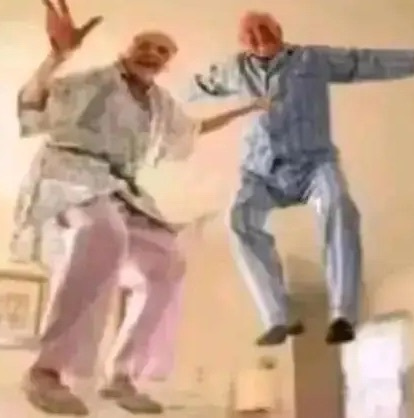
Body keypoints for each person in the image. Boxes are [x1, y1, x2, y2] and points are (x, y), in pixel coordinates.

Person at [10, 1, 271, 415]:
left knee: (167, 262)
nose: (151, 52)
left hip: (119, 187)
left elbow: (194, 129)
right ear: (126, 50)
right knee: (102, 232)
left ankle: (122, 374)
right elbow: (35, 103)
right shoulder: (96, 81)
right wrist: (56, 57)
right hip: (70, 172)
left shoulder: (161, 105)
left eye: (161, 50)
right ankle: (47, 369)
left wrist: (248, 108)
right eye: (144, 44)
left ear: (168, 63)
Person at [184, 10, 414, 347]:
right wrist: (151, 96)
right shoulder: (233, 70)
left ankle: (343, 314)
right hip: (261, 172)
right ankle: (277, 317)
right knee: (238, 219)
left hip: (314, 165)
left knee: (338, 206)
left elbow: (364, 61)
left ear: (279, 29)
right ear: (241, 41)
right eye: (250, 32)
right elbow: (195, 87)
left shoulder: (312, 59)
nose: (259, 36)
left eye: (265, 28)